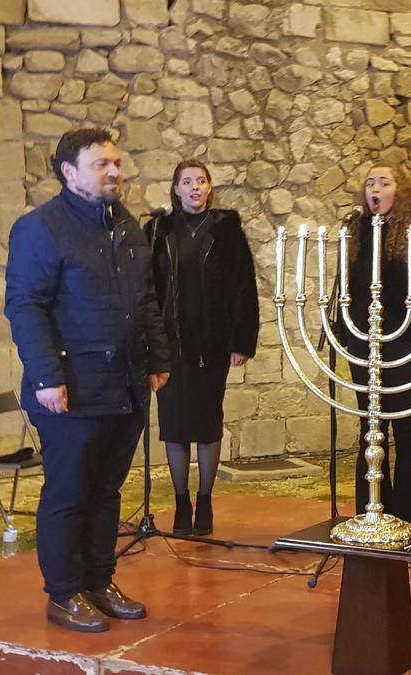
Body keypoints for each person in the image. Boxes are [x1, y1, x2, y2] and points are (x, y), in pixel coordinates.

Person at [5, 127, 169, 633]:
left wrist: (159, 358)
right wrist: (46, 378)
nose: (115, 171)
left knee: (106, 492)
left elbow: (145, 300)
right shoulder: (40, 228)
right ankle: (63, 593)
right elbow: (25, 306)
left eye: (116, 162)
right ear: (69, 172)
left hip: (125, 385)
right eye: (101, 164)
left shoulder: (126, 225)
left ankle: (99, 581)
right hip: (71, 388)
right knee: (69, 493)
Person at [149, 160, 259, 536]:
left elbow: (243, 285)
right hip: (171, 346)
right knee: (175, 429)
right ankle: (181, 504)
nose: (195, 187)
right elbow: (149, 289)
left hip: (211, 346)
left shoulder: (226, 229)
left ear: (209, 188)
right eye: (187, 181)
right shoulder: (159, 230)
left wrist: (241, 340)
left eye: (201, 181)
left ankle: (206, 501)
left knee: (207, 425)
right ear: (176, 189)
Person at [338, 164, 411, 524]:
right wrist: (347, 335)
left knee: (406, 425)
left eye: (384, 182)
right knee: (370, 425)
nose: (374, 189)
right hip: (363, 343)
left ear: (400, 190)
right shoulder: (356, 230)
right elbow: (345, 287)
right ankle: (373, 508)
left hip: (407, 341)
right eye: (369, 183)